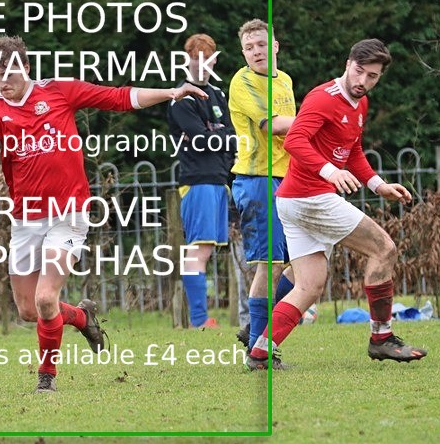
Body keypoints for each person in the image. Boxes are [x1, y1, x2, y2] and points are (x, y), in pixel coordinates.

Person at [0, 35, 207, 393]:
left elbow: (118, 97)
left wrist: (171, 92)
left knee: (45, 298)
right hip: (26, 219)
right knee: (28, 310)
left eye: (9, 72)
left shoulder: (59, 91)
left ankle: (46, 378)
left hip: (68, 214)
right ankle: (81, 317)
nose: (2, 80)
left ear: (27, 67)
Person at [249, 38, 426, 366]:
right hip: (311, 197)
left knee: (309, 286)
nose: (363, 81)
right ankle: (382, 338)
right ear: (348, 64)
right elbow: (294, 140)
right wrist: (330, 171)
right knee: (384, 249)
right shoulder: (323, 98)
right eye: (359, 71)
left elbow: (353, 149)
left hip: (294, 200)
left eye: (372, 76)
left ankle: (259, 352)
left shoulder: (360, 103)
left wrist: (378, 185)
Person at [227, 19, 296, 369]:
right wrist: (318, 121)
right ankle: (258, 349)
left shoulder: (285, 81)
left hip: (289, 179)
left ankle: (255, 328)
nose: (256, 52)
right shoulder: (242, 82)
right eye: (249, 47)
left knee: (304, 265)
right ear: (243, 53)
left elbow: (293, 136)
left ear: (275, 46)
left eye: (262, 45)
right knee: (270, 265)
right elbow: (274, 125)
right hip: (258, 180)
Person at [167, 33, 236, 328]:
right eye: (196, 59)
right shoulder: (181, 99)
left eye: (207, 60)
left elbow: (232, 135)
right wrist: (219, 136)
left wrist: (217, 137)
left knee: (209, 249)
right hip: (198, 180)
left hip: (219, 179)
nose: (202, 65)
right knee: (199, 249)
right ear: (187, 61)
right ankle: (198, 319)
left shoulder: (218, 94)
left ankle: (201, 317)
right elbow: (202, 140)